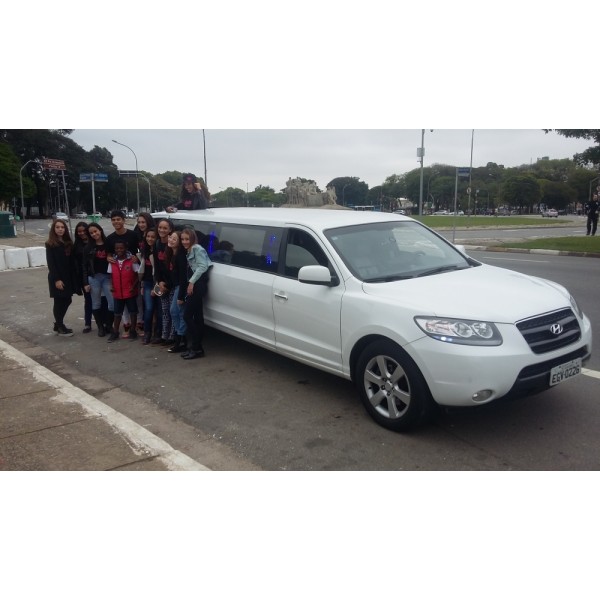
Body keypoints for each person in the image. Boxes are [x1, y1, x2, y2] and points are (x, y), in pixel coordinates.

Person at [180, 227, 212, 360]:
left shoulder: (197, 248)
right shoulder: (190, 249)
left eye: (187, 239)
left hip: (197, 285)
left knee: (187, 316)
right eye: (182, 239)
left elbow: (203, 266)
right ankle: (197, 348)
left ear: (193, 238)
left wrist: (191, 282)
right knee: (198, 318)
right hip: (196, 284)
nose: (184, 242)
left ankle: (196, 346)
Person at [106, 210, 139, 338]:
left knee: (135, 308)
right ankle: (123, 328)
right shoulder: (110, 238)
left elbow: (140, 250)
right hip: (118, 280)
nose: (116, 222)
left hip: (131, 273)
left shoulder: (133, 235)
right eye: (113, 220)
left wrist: (137, 257)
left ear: (124, 220)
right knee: (119, 310)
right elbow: (109, 254)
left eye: (118, 219)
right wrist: (108, 257)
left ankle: (135, 329)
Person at [45, 218, 80, 336]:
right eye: (57, 227)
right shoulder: (50, 244)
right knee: (59, 301)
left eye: (62, 227)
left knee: (67, 299)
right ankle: (60, 325)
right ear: (53, 229)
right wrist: (57, 280)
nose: (60, 229)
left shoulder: (68, 243)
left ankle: (58, 324)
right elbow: (51, 264)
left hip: (68, 277)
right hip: (57, 277)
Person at [83, 223, 114, 337]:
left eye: (95, 231)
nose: (94, 234)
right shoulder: (88, 247)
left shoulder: (108, 244)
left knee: (112, 304)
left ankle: (109, 326)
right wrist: (85, 283)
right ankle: (100, 327)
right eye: (91, 233)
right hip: (94, 278)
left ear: (100, 230)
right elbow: (84, 266)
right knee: (96, 303)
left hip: (107, 277)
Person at [107, 241, 140, 343]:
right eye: (117, 248)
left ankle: (133, 331)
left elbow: (138, 275)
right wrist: (112, 286)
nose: (119, 250)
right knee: (117, 313)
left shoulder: (132, 261)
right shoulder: (112, 261)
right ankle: (115, 332)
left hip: (129, 291)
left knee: (133, 312)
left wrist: (133, 286)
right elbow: (110, 275)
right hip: (117, 292)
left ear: (126, 248)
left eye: (121, 248)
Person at [164, 230, 188, 353]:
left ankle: (181, 340)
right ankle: (181, 338)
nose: (170, 240)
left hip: (181, 287)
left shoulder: (180, 257)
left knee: (179, 313)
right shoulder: (171, 254)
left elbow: (184, 277)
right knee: (174, 312)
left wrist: (181, 295)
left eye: (174, 239)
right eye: (170, 237)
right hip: (176, 286)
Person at [153, 218, 175, 345]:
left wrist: (167, 285)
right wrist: (159, 282)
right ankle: (164, 335)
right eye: (160, 227)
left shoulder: (172, 245)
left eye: (165, 228)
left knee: (172, 311)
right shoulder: (157, 244)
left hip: (172, 284)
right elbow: (157, 265)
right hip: (162, 283)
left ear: (170, 230)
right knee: (164, 310)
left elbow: (174, 268)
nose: (162, 230)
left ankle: (172, 336)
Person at [138, 228, 160, 345]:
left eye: (153, 237)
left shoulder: (158, 251)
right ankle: (147, 333)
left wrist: (156, 286)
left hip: (158, 283)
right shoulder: (144, 250)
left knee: (159, 310)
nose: (150, 239)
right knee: (149, 308)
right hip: (147, 283)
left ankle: (158, 333)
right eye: (148, 236)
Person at [73, 221, 93, 333]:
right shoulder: (76, 246)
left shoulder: (94, 242)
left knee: (100, 300)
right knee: (88, 300)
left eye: (84, 231)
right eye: (79, 231)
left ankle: (104, 322)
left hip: (95, 275)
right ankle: (87, 323)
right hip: (83, 276)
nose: (81, 233)